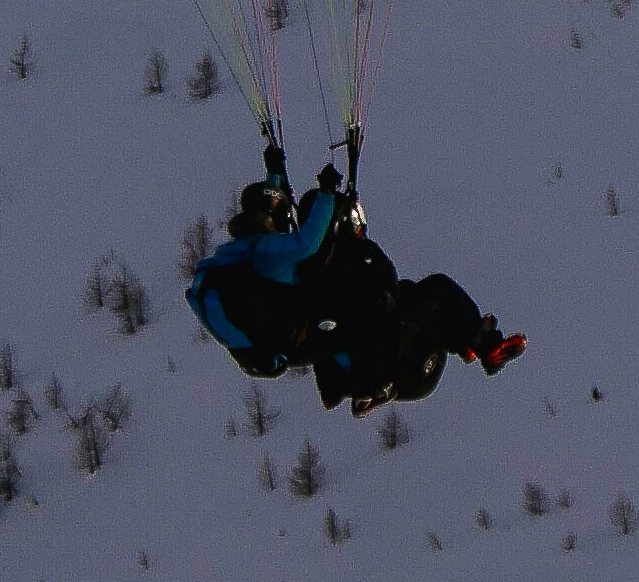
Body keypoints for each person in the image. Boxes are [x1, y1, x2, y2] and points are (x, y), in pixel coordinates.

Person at [187, 149, 523, 411]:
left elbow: (279, 212)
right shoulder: (270, 253)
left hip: (348, 360)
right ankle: (485, 347)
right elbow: (305, 241)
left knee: (406, 298)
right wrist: (326, 194)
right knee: (436, 290)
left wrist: (275, 171)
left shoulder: (241, 258)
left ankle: (458, 343)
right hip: (403, 368)